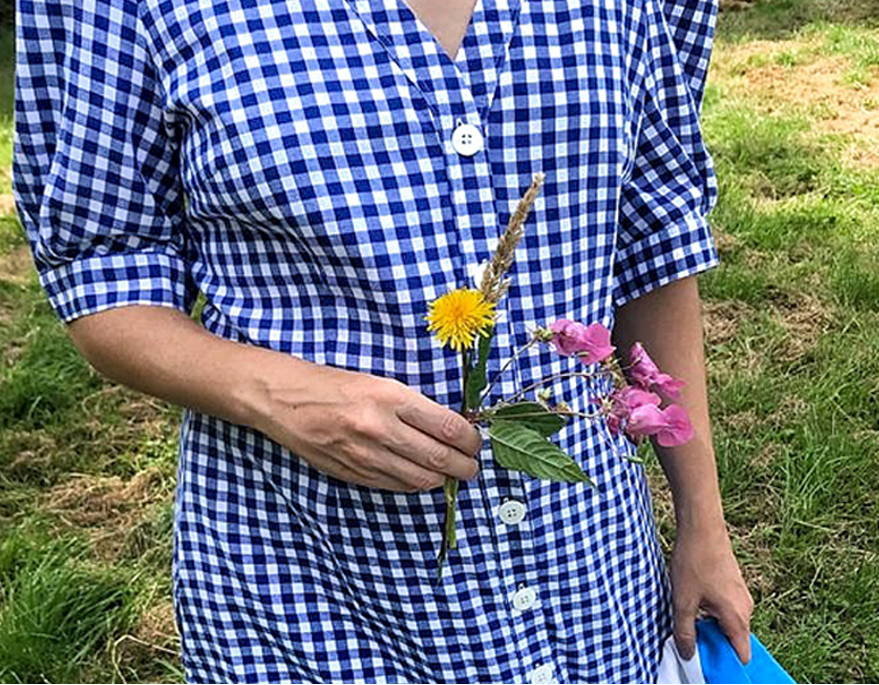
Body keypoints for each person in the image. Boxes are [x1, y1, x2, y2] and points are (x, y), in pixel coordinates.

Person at [14, 0, 753, 681]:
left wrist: (703, 521)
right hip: (313, 597)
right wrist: (284, 396)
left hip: (590, 584)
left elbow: (651, 249)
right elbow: (102, 270)